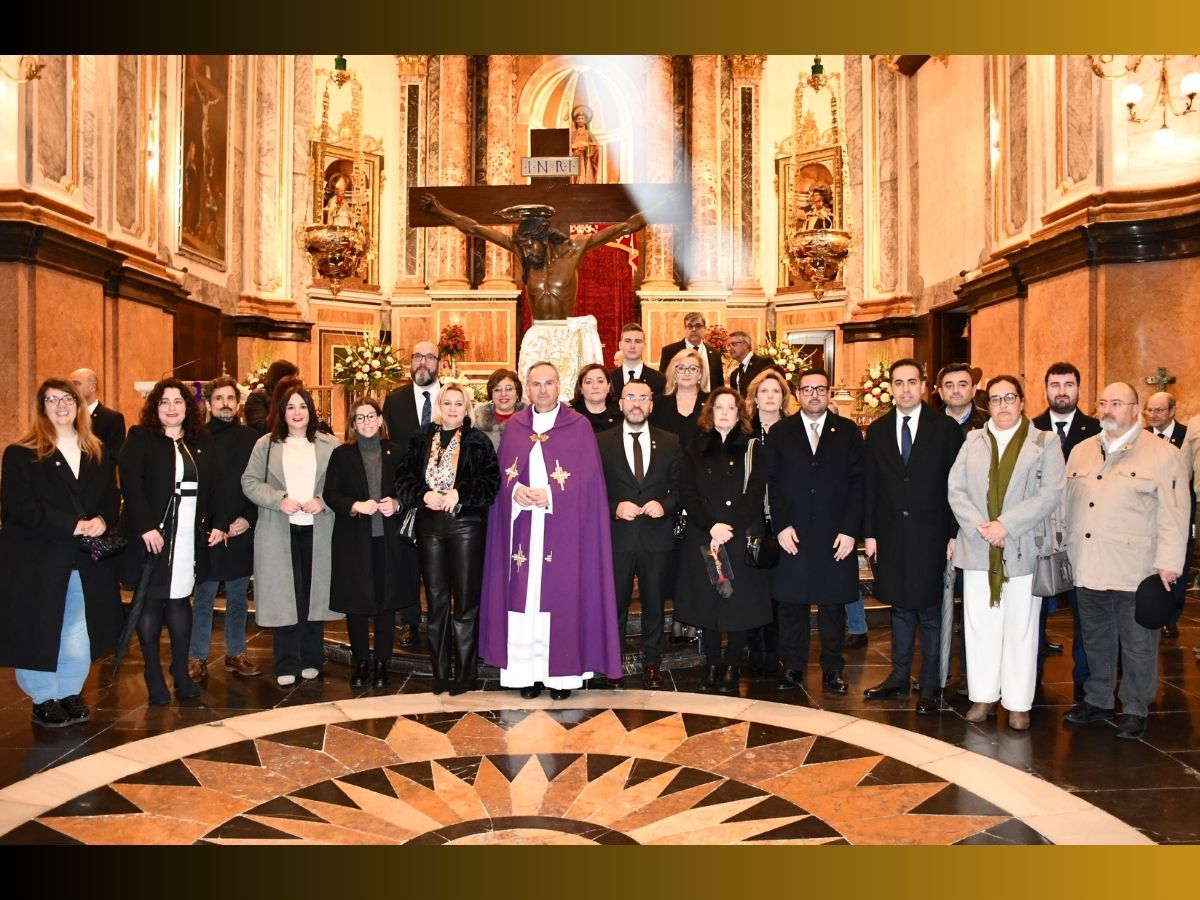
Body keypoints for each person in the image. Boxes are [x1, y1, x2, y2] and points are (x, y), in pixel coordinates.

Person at [478, 362, 623, 700]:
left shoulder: (579, 426)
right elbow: (502, 477)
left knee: (561, 600)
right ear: (527, 389)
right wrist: (516, 493)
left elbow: (588, 484)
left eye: (548, 383)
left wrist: (551, 495)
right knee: (525, 602)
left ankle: (561, 679)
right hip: (523, 531)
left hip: (564, 532)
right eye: (536, 384)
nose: (542, 390)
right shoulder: (515, 426)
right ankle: (527, 675)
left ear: (560, 387)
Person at [1061, 382, 1189, 740]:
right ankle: (1099, 699)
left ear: (1136, 409)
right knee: (1096, 639)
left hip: (1136, 569)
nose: (1107, 409)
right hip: (1089, 565)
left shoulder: (1162, 455)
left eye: (1116, 403)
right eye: (1103, 402)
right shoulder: (1083, 450)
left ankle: (1134, 706)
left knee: (1137, 644)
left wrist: (1169, 563)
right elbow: (1065, 506)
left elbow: (1175, 513)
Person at [0, 379, 123, 727]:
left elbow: (110, 499)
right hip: (37, 557)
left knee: (75, 628)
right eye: (51, 400)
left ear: (79, 404)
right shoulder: (22, 453)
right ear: (42, 408)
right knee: (39, 627)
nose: (60, 405)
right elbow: (17, 507)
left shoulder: (96, 451)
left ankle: (69, 691)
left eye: (67, 398)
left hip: (83, 559)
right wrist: (72, 524)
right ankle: (43, 697)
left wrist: (102, 520)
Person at [947, 375, 1065, 730]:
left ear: (1022, 402)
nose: (1002, 405)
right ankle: (983, 697)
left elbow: (1050, 494)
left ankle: (1017, 702)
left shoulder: (1044, 442)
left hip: (1021, 547)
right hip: (979, 547)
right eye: (995, 399)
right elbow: (956, 487)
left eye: (1009, 397)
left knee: (1021, 628)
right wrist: (983, 527)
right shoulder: (973, 440)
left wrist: (1006, 525)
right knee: (980, 626)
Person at [863, 359, 965, 714]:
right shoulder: (877, 431)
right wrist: (870, 533)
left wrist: (955, 533)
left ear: (923, 386)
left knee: (930, 610)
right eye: (898, 382)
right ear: (890, 387)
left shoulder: (946, 429)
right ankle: (898, 677)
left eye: (911, 382)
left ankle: (931, 682)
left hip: (932, 534)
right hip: (890, 535)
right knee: (900, 608)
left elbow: (957, 486)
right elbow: (870, 487)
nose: (905, 389)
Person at [119, 378, 225, 705]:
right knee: (150, 602)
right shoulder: (141, 438)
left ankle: (180, 670)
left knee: (180, 600)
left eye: (177, 401)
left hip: (187, 538)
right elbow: (131, 484)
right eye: (164, 402)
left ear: (187, 407)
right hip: (153, 535)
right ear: (155, 407)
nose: (171, 407)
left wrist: (219, 524)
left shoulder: (201, 440)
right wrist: (146, 527)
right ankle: (153, 673)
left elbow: (217, 484)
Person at [397, 382, 500, 694]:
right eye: (448, 403)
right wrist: (424, 494)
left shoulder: (477, 440)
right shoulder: (420, 439)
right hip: (430, 526)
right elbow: (402, 478)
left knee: (466, 603)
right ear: (439, 406)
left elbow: (491, 483)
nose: (453, 409)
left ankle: (465, 674)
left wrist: (460, 493)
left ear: (466, 407)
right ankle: (440, 673)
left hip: (465, 526)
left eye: (459, 404)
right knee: (437, 600)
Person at [768, 368, 863, 694]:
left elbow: (857, 485)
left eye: (820, 389)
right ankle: (792, 667)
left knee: (833, 608)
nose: (814, 395)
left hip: (834, 534)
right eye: (807, 389)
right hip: (792, 532)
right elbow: (773, 484)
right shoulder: (781, 432)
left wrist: (851, 530)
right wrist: (780, 525)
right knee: (791, 606)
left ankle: (833, 670)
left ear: (829, 392)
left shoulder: (847, 431)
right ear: (797, 394)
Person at [241, 384, 341, 686]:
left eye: (302, 407)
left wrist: (322, 500)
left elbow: (342, 485)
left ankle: (312, 658)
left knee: (312, 595)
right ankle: (285, 662)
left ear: (311, 411)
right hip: (279, 530)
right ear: (281, 413)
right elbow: (249, 482)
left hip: (318, 529)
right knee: (285, 597)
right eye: (291, 407)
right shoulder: (266, 445)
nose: (297, 413)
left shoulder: (329, 445)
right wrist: (278, 499)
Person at [675, 387, 773, 694]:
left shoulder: (753, 448)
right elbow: (688, 492)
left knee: (738, 605)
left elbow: (755, 493)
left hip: (738, 535)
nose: (725, 413)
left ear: (739, 413)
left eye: (732, 407)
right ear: (710, 412)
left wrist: (728, 527)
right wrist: (711, 526)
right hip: (706, 536)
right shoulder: (694, 448)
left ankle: (732, 666)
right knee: (710, 604)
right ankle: (712, 664)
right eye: (719, 407)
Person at [597, 378, 682, 689]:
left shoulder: (670, 441)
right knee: (615, 604)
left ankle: (651, 663)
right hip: (617, 538)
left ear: (651, 404)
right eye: (630, 397)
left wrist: (665, 504)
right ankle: (613, 663)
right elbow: (591, 490)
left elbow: (681, 488)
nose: (636, 403)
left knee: (654, 604)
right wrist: (614, 506)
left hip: (656, 536)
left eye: (643, 398)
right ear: (619, 403)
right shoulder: (601, 441)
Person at [323, 397, 406, 689]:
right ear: (353, 424)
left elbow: (408, 491)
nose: (367, 422)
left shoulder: (396, 453)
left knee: (386, 604)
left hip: (388, 540)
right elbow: (330, 494)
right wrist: (356, 504)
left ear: (380, 420)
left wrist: (396, 503)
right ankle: (360, 661)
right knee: (356, 605)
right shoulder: (341, 455)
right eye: (360, 418)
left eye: (371, 416)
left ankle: (382, 661)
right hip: (353, 541)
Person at [1031, 361, 1101, 701]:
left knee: (1085, 615)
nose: (1062, 391)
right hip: (1040, 538)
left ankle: (1085, 684)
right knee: (1034, 616)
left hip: (1083, 535)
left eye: (1068, 384)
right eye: (1055, 384)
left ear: (1078, 388)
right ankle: (1028, 681)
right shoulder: (1029, 429)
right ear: (1045, 389)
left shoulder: (1097, 430)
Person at [188, 376, 261, 680]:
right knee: (203, 597)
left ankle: (235, 653)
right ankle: (196, 657)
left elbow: (259, 481)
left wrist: (248, 518)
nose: (225, 404)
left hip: (241, 526)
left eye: (230, 398)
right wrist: (207, 524)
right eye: (218, 399)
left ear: (238, 403)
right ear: (207, 403)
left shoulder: (251, 438)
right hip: (207, 530)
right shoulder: (196, 437)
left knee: (236, 597)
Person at [381, 339, 442, 648]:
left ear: (439, 363)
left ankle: (440, 620)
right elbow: (389, 447)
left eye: (430, 357)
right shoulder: (394, 400)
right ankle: (409, 620)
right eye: (418, 355)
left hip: (443, 497)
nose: (423, 362)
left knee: (439, 562)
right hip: (406, 494)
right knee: (406, 560)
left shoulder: (451, 397)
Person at [743, 367, 793, 676]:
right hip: (751, 520)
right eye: (765, 391)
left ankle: (776, 652)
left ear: (783, 398)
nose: (770, 396)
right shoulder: (744, 431)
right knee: (752, 588)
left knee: (780, 591)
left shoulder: (793, 431)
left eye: (776, 391)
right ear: (755, 398)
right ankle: (755, 651)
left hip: (784, 521)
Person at [1145, 391, 1194, 640]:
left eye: (1159, 410)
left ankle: (1171, 617)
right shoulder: (1140, 438)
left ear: (1172, 411)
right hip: (1146, 518)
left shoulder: (1187, 435)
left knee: (1177, 566)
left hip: (1177, 515)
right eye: (1149, 410)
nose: (1152, 415)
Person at [650, 348, 710, 450]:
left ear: (700, 374)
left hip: (704, 464)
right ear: (674, 373)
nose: (686, 373)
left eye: (693, 368)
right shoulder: (656, 404)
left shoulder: (712, 402)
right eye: (681, 368)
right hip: (667, 464)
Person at [657, 312, 724, 391]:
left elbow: (719, 384)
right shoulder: (670, 351)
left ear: (705, 328)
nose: (694, 329)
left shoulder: (715, 354)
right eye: (690, 326)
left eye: (698, 326)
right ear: (684, 328)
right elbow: (663, 381)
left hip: (709, 400)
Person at [69, 367, 127, 459]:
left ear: (92, 387)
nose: (71, 388)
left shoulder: (112, 418)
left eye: (76, 384)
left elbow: (114, 456)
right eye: (69, 384)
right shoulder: (66, 417)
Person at [473, 368, 527, 450]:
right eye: (497, 389)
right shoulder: (477, 423)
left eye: (509, 389)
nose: (503, 394)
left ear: (517, 393)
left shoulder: (530, 422)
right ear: (492, 394)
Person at [608, 322, 667, 396]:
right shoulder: (610, 378)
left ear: (644, 346)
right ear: (620, 345)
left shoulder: (658, 379)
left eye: (637, 341)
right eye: (627, 341)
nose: (632, 346)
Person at [245, 360, 299, 436]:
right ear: (280, 379)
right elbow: (260, 429)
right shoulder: (257, 397)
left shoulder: (294, 396)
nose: (294, 383)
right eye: (292, 379)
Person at [938, 362, 988, 436]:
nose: (955, 391)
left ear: (973, 390)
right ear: (941, 393)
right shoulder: (926, 424)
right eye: (949, 386)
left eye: (962, 385)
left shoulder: (990, 422)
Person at [569, 363, 621, 432]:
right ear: (581, 389)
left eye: (600, 381)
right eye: (589, 382)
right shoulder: (569, 417)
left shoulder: (621, 415)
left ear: (608, 386)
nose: (595, 386)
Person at [569, 104, 600, 186]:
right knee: (576, 177)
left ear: (585, 121)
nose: (580, 120)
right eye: (578, 119)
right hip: (576, 158)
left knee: (586, 177)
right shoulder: (573, 134)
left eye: (582, 118)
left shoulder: (589, 134)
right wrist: (574, 147)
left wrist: (587, 146)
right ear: (575, 121)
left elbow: (596, 146)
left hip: (586, 157)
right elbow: (569, 146)